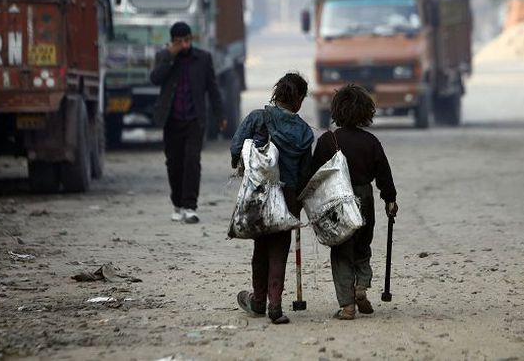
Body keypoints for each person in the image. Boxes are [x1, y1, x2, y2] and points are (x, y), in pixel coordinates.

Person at [230, 72, 314, 324]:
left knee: (260, 248)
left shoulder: (258, 118)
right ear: (298, 99)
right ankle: (274, 307)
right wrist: (298, 202)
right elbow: (305, 173)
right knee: (279, 250)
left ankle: (257, 302)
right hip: (287, 197)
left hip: (259, 194)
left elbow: (236, 147)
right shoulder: (303, 131)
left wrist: (242, 164)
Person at [310, 84, 398, 320]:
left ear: (336, 110)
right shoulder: (371, 142)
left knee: (341, 251)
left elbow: (314, 176)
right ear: (365, 111)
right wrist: (390, 199)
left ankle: (347, 306)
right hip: (365, 197)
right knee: (362, 245)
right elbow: (384, 176)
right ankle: (362, 285)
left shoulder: (328, 141)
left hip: (337, 201)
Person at [150, 22, 226, 224]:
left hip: (194, 120)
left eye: (187, 40)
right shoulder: (164, 57)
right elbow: (155, 79)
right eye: (179, 42)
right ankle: (177, 204)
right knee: (174, 163)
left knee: (192, 161)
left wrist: (220, 116)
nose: (184, 45)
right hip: (171, 120)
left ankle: (190, 206)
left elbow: (213, 88)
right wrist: (169, 56)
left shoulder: (203, 58)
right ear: (172, 42)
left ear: (191, 39)